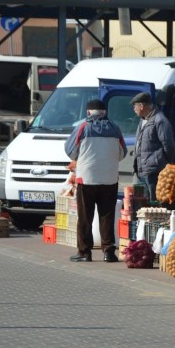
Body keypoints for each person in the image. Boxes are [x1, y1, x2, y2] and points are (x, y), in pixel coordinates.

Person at [64, 99, 127, 262]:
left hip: (87, 178)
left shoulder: (83, 127)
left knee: (85, 216)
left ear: (88, 112)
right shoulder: (115, 128)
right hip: (110, 178)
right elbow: (122, 153)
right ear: (104, 112)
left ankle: (84, 252)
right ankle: (109, 252)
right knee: (107, 216)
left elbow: (70, 151)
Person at [131, 92, 175, 202]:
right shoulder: (142, 120)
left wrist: (162, 162)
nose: (134, 109)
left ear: (141, 106)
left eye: (134, 106)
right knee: (140, 204)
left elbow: (169, 145)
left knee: (153, 205)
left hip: (153, 172)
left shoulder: (160, 120)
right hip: (140, 171)